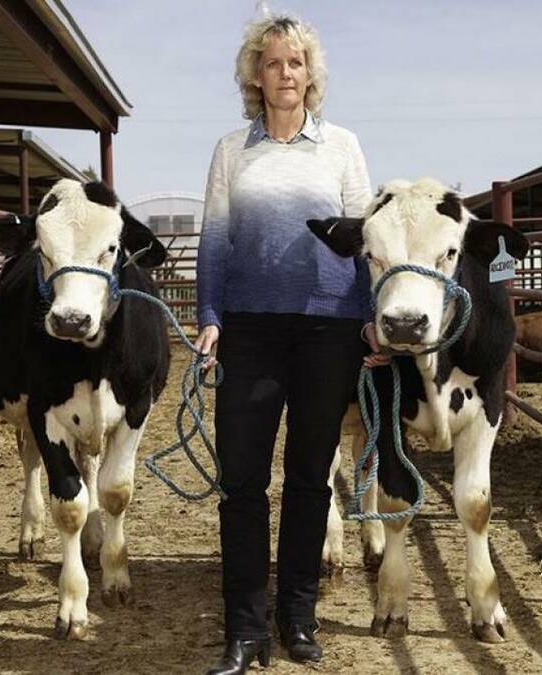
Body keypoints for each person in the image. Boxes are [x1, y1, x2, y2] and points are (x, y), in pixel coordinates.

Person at [194, 13, 384, 675]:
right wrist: (211, 314)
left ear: (311, 74)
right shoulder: (230, 151)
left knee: (309, 479)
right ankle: (244, 631)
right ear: (256, 74)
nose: (285, 75)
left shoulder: (342, 147)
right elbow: (214, 243)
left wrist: (370, 319)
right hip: (249, 329)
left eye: (296, 63)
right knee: (241, 481)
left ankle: (297, 616)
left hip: (328, 330)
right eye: (273, 63)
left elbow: (366, 242)